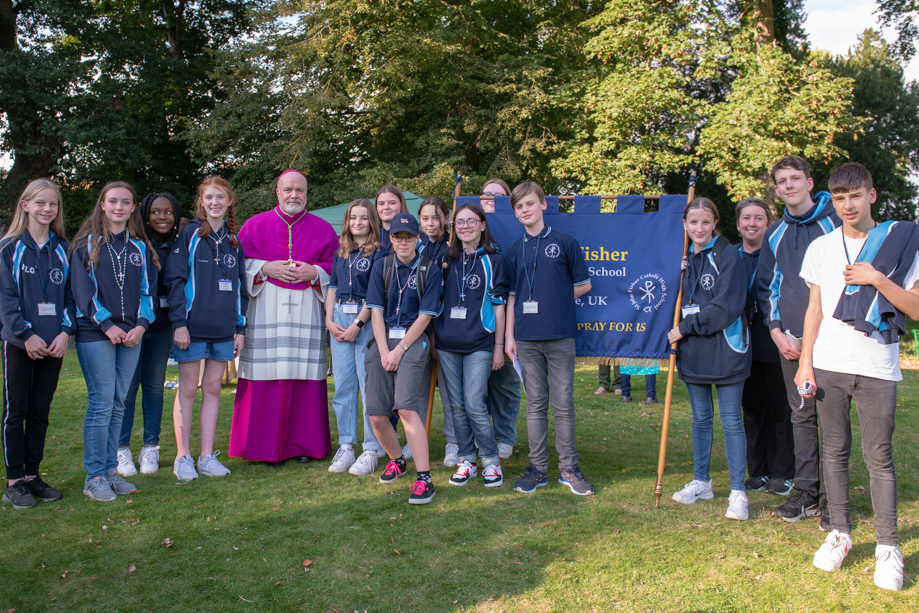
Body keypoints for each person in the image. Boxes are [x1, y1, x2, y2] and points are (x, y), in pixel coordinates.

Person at [796, 162, 919, 591]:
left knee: (879, 458)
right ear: (832, 200)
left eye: (856, 195)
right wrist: (805, 362)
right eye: (840, 198)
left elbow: (916, 309)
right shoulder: (821, 247)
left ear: (872, 196)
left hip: (877, 368)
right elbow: (813, 309)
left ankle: (888, 548)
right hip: (829, 364)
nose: (848, 205)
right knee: (834, 452)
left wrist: (877, 278)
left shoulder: (901, 243)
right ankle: (840, 534)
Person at [230, 170, 339, 464]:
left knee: (304, 379)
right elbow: (236, 266)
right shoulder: (254, 226)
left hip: (307, 312)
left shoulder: (323, 229)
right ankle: (261, 446)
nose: (294, 195)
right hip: (265, 309)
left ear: (307, 194)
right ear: (277, 193)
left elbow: (338, 268)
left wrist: (315, 272)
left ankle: (304, 445)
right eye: (288, 190)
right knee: (265, 378)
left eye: (300, 190)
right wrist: (265, 268)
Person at [756, 155, 840, 527]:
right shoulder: (775, 233)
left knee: (834, 420)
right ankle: (807, 494)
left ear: (809, 181)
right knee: (802, 417)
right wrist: (776, 331)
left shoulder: (836, 221)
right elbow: (768, 287)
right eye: (782, 181)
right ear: (776, 190)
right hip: (791, 343)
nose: (789, 185)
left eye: (795, 178)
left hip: (837, 340)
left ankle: (835, 502)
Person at [504, 181, 594, 496]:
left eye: (530, 203)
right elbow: (512, 298)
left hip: (559, 336)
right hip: (526, 339)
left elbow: (584, 285)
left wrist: (555, 297)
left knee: (564, 404)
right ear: (515, 213)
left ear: (543, 205)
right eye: (519, 206)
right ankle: (537, 469)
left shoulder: (565, 242)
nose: (525, 210)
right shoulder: (514, 250)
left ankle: (569, 469)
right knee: (535, 405)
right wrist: (508, 338)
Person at [70, 181, 157, 501]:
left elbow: (148, 293)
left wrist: (141, 325)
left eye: (126, 202)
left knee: (120, 402)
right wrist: (106, 324)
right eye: (113, 201)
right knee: (102, 402)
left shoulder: (139, 248)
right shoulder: (86, 244)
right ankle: (94, 476)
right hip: (97, 334)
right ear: (103, 205)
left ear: (134, 208)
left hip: (131, 334)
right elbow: (83, 292)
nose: (119, 207)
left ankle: (109, 472)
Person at [667, 197, 751, 520]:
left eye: (705, 222)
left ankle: (738, 492)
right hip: (695, 353)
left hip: (726, 350)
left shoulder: (728, 255)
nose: (699, 228)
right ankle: (702, 481)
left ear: (715, 223)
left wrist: (685, 327)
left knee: (731, 420)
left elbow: (725, 306)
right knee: (700, 419)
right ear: (684, 225)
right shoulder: (687, 259)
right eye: (693, 223)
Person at [166, 177, 247, 480]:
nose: (214, 203)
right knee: (187, 389)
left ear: (229, 202)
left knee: (213, 388)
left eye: (220, 198)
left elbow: (240, 288)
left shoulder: (234, 239)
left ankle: (206, 457)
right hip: (192, 328)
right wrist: (179, 323)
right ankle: (182, 457)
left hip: (225, 329)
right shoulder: (189, 235)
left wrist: (240, 329)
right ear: (201, 201)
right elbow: (175, 281)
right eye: (209, 198)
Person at [0, 179, 74, 508]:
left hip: (53, 343)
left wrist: (64, 332)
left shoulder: (64, 249)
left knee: (41, 411)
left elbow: (74, 297)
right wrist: (26, 334)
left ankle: (33, 475)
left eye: (53, 204)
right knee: (17, 410)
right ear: (25, 205)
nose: (47, 209)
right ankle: (14, 480)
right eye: (40, 203)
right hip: (20, 343)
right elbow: (6, 299)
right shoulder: (9, 248)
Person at [364, 213, 442, 504]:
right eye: (398, 237)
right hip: (383, 340)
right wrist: (384, 351)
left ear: (417, 239)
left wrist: (399, 350)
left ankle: (425, 478)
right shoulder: (381, 266)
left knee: (407, 408)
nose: (403, 242)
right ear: (392, 239)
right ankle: (397, 459)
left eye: (409, 237)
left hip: (412, 341)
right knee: (376, 414)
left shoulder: (429, 269)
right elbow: (376, 311)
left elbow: (425, 316)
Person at [435, 203, 508, 487]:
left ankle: (490, 460)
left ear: (482, 225)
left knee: (475, 403)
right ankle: (467, 460)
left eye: (471, 221)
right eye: (459, 222)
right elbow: (437, 299)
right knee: (456, 405)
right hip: (447, 342)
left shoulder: (494, 260)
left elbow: (499, 306)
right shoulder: (447, 259)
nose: (465, 226)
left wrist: (498, 346)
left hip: (480, 342)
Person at [116, 192, 181, 477]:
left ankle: (150, 449)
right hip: (135, 327)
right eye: (156, 212)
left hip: (163, 327)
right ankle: (121, 450)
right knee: (128, 390)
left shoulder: (180, 246)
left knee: (154, 388)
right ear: (144, 213)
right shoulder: (136, 245)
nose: (162, 217)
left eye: (168, 212)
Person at [736, 198, 795, 496]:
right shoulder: (729, 257)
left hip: (775, 341)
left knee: (781, 410)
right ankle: (758, 471)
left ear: (768, 224)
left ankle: (783, 473)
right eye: (746, 218)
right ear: (738, 224)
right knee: (753, 410)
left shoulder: (779, 255)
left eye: (759, 218)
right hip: (741, 347)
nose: (752, 223)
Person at [326, 199, 386, 475]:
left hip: (367, 319)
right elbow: (333, 287)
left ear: (372, 221)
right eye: (353, 218)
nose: (358, 223)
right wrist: (329, 320)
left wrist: (358, 325)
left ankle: (371, 448)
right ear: (347, 222)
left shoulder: (380, 253)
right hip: (339, 317)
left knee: (367, 386)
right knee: (343, 386)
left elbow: (376, 295)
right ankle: (346, 445)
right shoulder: (341, 252)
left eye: (364, 218)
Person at [478, 178, 522, 458]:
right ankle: (477, 437)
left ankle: (505, 436)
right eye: (486, 195)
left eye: (499, 196)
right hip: (472, 325)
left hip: (507, 320)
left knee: (505, 383)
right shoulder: (467, 226)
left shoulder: (516, 228)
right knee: (475, 387)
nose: (492, 199)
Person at [417, 195, 460, 466]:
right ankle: (415, 439)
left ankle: (454, 443)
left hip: (445, 326)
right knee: (418, 387)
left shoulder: (454, 246)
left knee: (449, 389)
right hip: (417, 327)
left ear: (446, 218)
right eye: (425, 218)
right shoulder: (416, 245)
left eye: (436, 217)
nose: (430, 223)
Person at [376, 185, 408, 252]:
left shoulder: (415, 236)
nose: (386, 207)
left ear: (401, 205)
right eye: (381, 204)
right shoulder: (369, 235)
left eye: (392, 203)